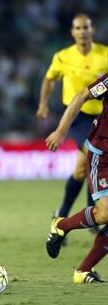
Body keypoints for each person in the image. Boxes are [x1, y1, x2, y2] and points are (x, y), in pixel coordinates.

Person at [36, 14, 108, 224]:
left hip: (102, 116)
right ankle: (94, 215)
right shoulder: (63, 56)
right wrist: (43, 104)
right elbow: (49, 80)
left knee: (80, 170)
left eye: (86, 27)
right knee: (90, 153)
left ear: (92, 30)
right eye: (78, 28)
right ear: (72, 32)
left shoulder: (104, 54)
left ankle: (61, 216)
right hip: (78, 117)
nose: (83, 31)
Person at [45, 72, 108, 284]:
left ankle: (83, 271)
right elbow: (82, 95)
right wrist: (61, 131)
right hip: (103, 154)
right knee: (105, 214)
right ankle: (62, 225)